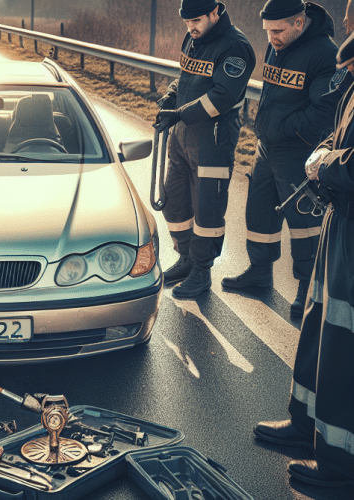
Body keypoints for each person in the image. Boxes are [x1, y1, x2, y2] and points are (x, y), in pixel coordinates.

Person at [252, 32, 354, 489]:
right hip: (341, 217)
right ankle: (306, 426)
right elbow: (337, 133)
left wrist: (325, 164)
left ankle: (341, 464)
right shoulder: (352, 79)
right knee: (317, 321)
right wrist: (322, 152)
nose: (347, 73)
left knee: (342, 340)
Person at [221, 0, 348, 319]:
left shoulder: (324, 55)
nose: (272, 37)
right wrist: (267, 129)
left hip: (297, 151)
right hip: (266, 148)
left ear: (300, 22)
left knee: (304, 224)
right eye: (268, 31)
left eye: (278, 30)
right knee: (259, 212)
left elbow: (324, 113)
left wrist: (280, 128)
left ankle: (307, 290)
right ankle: (259, 273)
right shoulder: (277, 45)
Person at [153, 0, 256, 299]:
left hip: (213, 138)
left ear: (215, 13)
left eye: (196, 20)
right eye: (186, 22)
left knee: (207, 209)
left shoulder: (235, 46)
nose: (190, 27)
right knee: (174, 200)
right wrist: (171, 98)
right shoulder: (193, 36)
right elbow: (185, 78)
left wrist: (182, 113)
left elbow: (222, 97)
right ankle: (185, 257)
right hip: (183, 135)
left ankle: (201, 271)